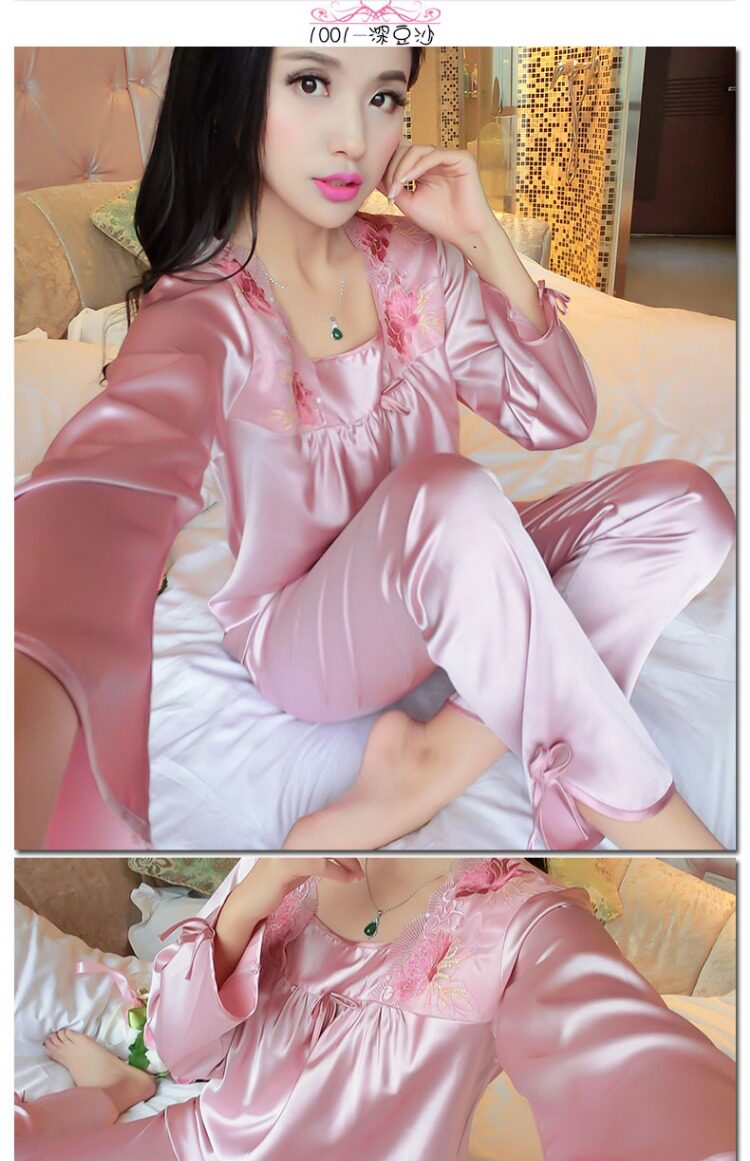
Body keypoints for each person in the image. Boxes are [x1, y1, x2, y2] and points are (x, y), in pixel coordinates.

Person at [15, 47, 735, 851]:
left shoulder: (418, 263)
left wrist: (482, 236)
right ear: (231, 99)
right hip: (307, 638)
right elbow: (98, 497)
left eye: (384, 96)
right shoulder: (204, 312)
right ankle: (670, 832)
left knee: (688, 507)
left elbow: (560, 416)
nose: (354, 139)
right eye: (312, 83)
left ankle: (436, 757)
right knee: (454, 493)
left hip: (443, 567)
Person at [15, 856, 736, 1160]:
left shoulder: (520, 923)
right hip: (201, 1143)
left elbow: (645, 1080)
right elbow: (181, 1050)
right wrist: (257, 892)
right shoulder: (289, 861)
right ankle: (113, 1091)